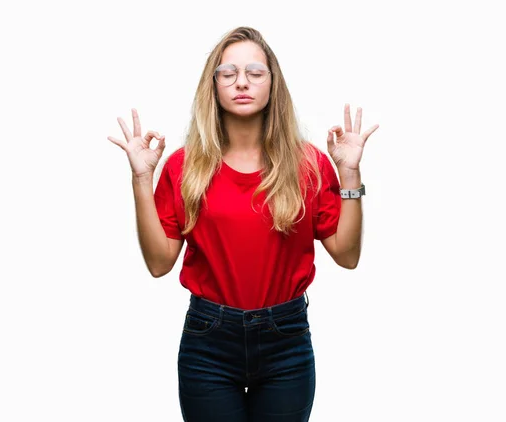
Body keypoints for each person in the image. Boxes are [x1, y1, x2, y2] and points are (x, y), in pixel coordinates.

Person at [107, 26, 378, 422]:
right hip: (208, 341)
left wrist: (350, 174)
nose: (242, 83)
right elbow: (158, 263)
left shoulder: (310, 164)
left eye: (255, 72)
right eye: (228, 73)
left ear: (273, 84)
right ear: (213, 86)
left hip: (286, 339)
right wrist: (140, 180)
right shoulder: (185, 166)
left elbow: (348, 255)